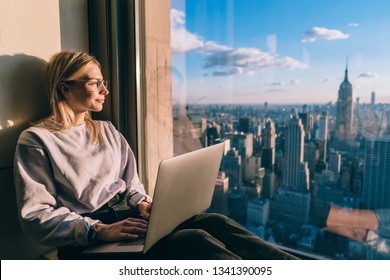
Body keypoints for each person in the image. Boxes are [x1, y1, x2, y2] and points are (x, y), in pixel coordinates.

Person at [14, 51, 298, 260]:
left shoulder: (106, 130)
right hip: (89, 237)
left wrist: (143, 203)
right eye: (95, 83)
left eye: (104, 82)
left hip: (129, 216)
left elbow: (132, 184)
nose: (105, 90)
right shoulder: (37, 140)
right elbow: (35, 217)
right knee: (194, 240)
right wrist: (98, 229)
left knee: (214, 222)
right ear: (65, 88)